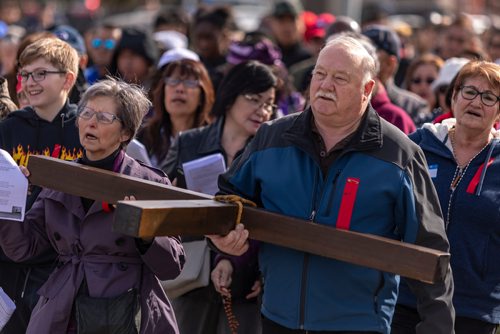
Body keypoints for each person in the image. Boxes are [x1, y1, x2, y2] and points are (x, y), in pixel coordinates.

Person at [207, 35, 454, 334]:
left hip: (359, 323)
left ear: (367, 90)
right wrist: (222, 239)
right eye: (320, 74)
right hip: (277, 317)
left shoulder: (399, 154)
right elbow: (230, 197)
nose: (325, 85)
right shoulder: (272, 136)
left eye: (340, 78)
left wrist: (438, 327)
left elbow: (429, 249)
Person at [0, 78, 185, 334]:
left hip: (128, 306)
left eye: (105, 117)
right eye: (86, 113)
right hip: (64, 305)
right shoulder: (59, 177)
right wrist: (9, 197)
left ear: (126, 133)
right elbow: (23, 247)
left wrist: (145, 233)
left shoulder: (148, 182)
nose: (91, 122)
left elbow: (171, 266)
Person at [164, 60, 278, 334]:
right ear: (230, 96)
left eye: (269, 103)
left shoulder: (271, 152)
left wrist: (266, 273)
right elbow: (159, 193)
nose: (262, 110)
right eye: (254, 99)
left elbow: (278, 216)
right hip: (190, 275)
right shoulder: (188, 142)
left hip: (245, 282)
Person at [393, 60, 500, 334]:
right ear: (454, 96)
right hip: (407, 297)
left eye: (489, 96)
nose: (476, 101)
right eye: (469, 91)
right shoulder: (417, 146)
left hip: (473, 308)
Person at [0, 37, 83, 334]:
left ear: (68, 79)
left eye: (41, 74)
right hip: (9, 261)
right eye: (24, 74)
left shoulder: (84, 129)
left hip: (61, 262)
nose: (29, 82)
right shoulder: (9, 128)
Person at [138, 57, 214, 169]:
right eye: (173, 81)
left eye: (189, 82)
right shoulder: (146, 135)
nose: (179, 89)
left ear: (202, 96)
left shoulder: (212, 141)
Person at [363, 24, 430, 125]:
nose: (362, 61)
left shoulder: (413, 107)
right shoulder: (347, 100)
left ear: (391, 64)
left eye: (371, 56)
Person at [404, 53, 444, 125]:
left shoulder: (449, 122)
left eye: (430, 80)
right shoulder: (401, 118)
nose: (423, 86)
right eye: (417, 80)